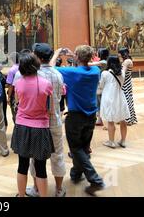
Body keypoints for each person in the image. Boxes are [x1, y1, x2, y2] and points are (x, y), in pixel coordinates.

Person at [50, 45, 105, 196]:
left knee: (75, 148)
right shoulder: (95, 71)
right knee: (84, 147)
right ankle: (76, 174)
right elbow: (91, 64)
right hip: (91, 115)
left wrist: (56, 54)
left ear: (77, 58)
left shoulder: (71, 72)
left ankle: (94, 179)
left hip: (75, 116)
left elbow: (50, 68)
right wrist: (76, 55)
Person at [26, 43, 66, 197]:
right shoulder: (57, 74)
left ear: (37, 57)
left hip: (38, 123)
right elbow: (60, 95)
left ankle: (36, 189)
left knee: (36, 158)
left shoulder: (34, 75)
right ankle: (59, 189)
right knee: (58, 156)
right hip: (55, 120)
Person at [11, 52, 54, 197]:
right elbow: (50, 109)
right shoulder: (46, 84)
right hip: (41, 128)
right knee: (41, 167)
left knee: (22, 165)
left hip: (22, 126)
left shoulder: (18, 84)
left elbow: (18, 103)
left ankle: (21, 195)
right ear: (36, 65)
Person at [98, 55, 130, 148]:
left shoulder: (105, 73)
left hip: (108, 97)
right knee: (123, 119)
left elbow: (101, 85)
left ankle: (111, 142)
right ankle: (123, 141)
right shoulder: (122, 73)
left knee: (110, 120)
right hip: (120, 96)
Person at [90, 48, 109, 126]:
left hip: (102, 84)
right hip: (99, 84)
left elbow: (90, 64)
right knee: (98, 102)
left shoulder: (104, 62)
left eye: (98, 52)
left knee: (102, 102)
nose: (97, 53)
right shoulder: (103, 61)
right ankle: (100, 119)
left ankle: (106, 121)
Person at [118, 48, 137, 126]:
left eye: (119, 52)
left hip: (125, 83)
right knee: (127, 99)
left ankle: (128, 119)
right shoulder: (126, 60)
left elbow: (123, 72)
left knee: (126, 100)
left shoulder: (127, 61)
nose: (118, 54)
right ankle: (128, 118)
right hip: (126, 82)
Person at [6, 52, 20, 124]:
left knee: (15, 113)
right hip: (24, 93)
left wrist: (8, 97)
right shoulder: (23, 67)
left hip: (15, 94)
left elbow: (10, 85)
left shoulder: (12, 70)